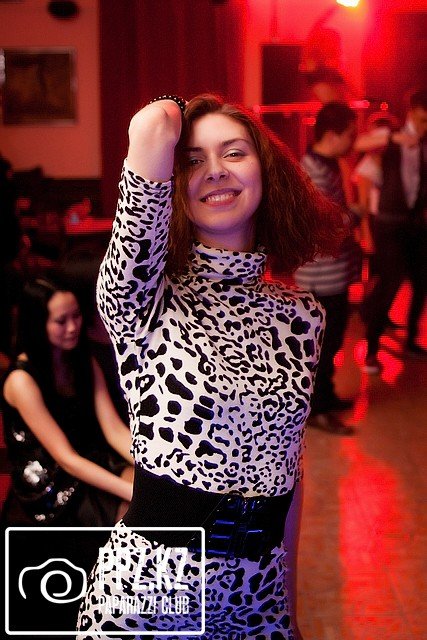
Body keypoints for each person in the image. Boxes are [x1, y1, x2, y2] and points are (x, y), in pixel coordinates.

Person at [76, 93, 345, 639]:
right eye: (193, 161)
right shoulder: (142, 297)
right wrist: (183, 109)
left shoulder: (302, 317)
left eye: (234, 152)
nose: (216, 171)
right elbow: (152, 124)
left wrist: (287, 609)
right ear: (173, 187)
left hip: (257, 596)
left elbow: (289, 472)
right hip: (151, 593)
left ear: (267, 172)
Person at [1, 277, 133, 527]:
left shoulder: (82, 358)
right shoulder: (21, 380)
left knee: (155, 487)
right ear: (38, 323)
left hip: (89, 458)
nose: (73, 327)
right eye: (61, 321)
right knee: (137, 512)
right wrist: (134, 495)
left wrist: (156, 466)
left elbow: (114, 430)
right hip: (51, 482)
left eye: (77, 316)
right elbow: (66, 459)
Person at [293, 102, 360, 436]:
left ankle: (327, 397)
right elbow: (326, 225)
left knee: (331, 342)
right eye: (350, 135)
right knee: (322, 346)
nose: (354, 141)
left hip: (333, 273)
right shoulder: (314, 172)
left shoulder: (325, 164)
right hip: (321, 277)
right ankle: (317, 409)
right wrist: (357, 214)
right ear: (332, 135)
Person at [362, 89, 427, 373]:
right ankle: (371, 351)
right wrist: (391, 138)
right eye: (423, 119)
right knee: (389, 284)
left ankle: (411, 341)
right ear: (411, 112)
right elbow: (357, 144)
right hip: (388, 223)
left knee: (422, 283)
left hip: (415, 223)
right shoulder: (391, 136)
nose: (425, 126)